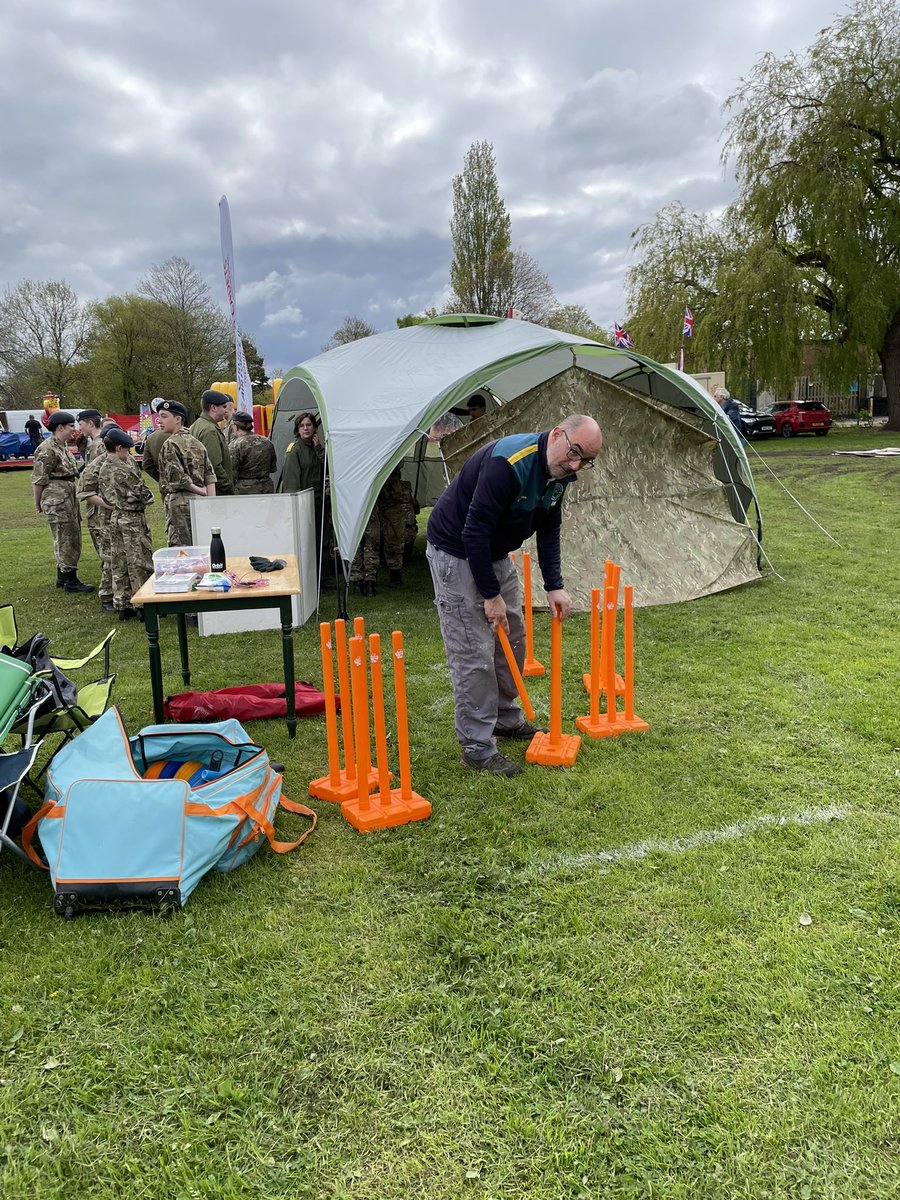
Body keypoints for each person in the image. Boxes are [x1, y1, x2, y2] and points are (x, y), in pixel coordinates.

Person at [426, 414, 602, 776]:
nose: (574, 465)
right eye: (573, 453)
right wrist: (490, 596)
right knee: (473, 650)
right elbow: (473, 531)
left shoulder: (561, 473)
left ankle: (505, 719)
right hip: (456, 549)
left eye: (585, 460)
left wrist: (555, 584)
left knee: (512, 636)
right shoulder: (507, 464)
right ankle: (477, 746)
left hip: (494, 550)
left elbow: (549, 526)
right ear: (557, 434)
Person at [32, 410, 95, 593]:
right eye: (70, 426)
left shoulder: (62, 446)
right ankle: (70, 580)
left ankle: (62, 575)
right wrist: (38, 503)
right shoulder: (47, 448)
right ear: (59, 427)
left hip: (66, 495)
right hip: (56, 497)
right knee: (66, 537)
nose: (73, 430)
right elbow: (39, 479)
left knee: (69, 534)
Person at [95, 428, 154, 621]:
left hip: (116, 516)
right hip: (132, 518)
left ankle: (123, 603)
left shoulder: (104, 466)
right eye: (126, 450)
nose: (128, 453)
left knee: (119, 560)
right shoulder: (122, 469)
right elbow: (142, 493)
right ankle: (143, 604)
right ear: (119, 447)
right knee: (139, 559)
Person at [156, 399, 216, 546]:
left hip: (179, 503)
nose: (159, 421)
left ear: (178, 419)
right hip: (200, 504)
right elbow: (209, 474)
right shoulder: (197, 443)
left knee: (181, 551)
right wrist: (211, 500)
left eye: (164, 416)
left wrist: (202, 491)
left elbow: (179, 478)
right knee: (201, 545)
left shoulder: (170, 444)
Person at [280, 412, 329, 577]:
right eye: (302, 426)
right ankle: (307, 576)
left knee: (321, 540)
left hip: (320, 502)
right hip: (305, 504)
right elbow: (291, 483)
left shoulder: (318, 448)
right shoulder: (294, 451)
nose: (306, 428)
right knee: (306, 542)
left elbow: (327, 470)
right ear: (297, 430)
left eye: (309, 425)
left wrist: (319, 449)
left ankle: (320, 576)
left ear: (315, 427)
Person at [77, 442, 116, 612]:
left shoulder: (126, 460)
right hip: (105, 518)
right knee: (109, 555)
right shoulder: (97, 464)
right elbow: (84, 492)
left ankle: (124, 593)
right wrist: (109, 505)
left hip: (127, 517)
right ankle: (107, 596)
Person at [189, 389, 234, 496]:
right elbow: (214, 465)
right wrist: (227, 486)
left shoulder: (197, 425)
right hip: (216, 491)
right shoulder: (209, 430)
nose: (225, 411)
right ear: (213, 408)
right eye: (223, 407)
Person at [378, 465, 414, 588]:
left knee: (394, 538)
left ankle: (394, 573)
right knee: (373, 539)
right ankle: (370, 576)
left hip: (391, 500)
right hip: (381, 497)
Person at [230, 410, 277, 493]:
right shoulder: (267, 442)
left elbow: (232, 473)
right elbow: (272, 468)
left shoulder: (235, 445)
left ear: (236, 426)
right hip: (266, 488)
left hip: (245, 491)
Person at [140, 399, 172, 485]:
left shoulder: (151, 437)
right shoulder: (186, 436)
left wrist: (161, 479)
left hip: (165, 486)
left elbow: (147, 464)